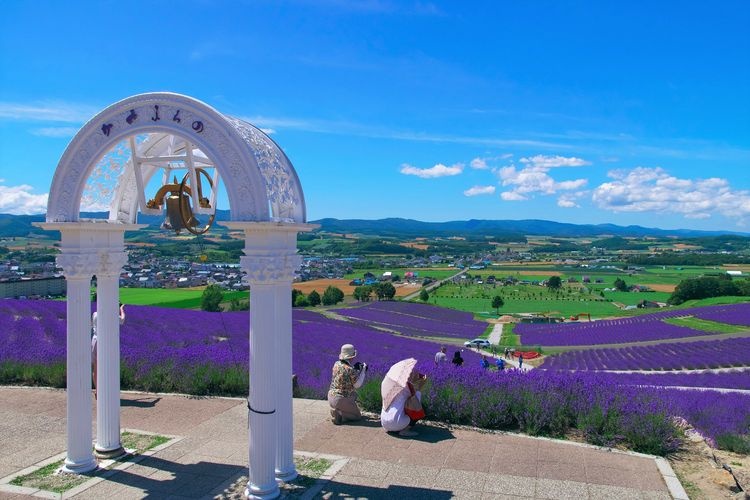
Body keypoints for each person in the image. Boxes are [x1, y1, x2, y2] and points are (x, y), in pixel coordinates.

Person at [92, 303, 126, 399]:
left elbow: (92, 326)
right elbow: (122, 320)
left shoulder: (95, 314)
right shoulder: (112, 315)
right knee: (108, 367)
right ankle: (107, 390)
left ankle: (97, 391)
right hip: (106, 342)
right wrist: (121, 309)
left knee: (96, 367)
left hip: (95, 340)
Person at [328, 344, 367, 425]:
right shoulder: (350, 370)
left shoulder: (336, 364)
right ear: (352, 357)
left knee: (354, 394)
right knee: (357, 416)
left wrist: (354, 369)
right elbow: (357, 385)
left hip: (331, 396)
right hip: (340, 399)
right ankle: (339, 414)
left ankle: (338, 410)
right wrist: (363, 371)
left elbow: (344, 374)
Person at [381, 368, 426, 437]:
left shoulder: (390, 385)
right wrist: (420, 385)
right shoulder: (409, 388)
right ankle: (405, 430)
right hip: (396, 423)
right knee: (418, 405)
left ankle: (397, 426)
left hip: (385, 424)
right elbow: (416, 406)